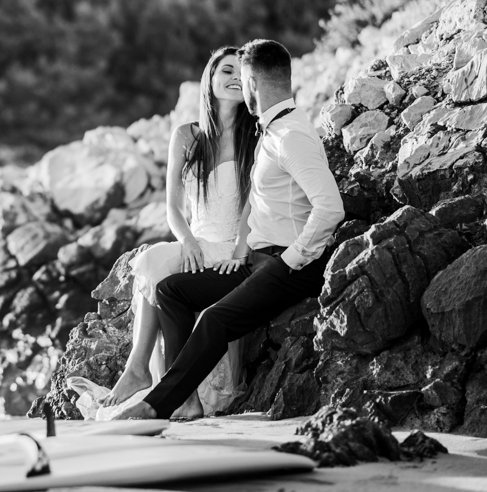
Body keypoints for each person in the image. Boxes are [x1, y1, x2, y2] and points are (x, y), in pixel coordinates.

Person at [110, 38, 344, 421]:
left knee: (215, 319)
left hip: (285, 265)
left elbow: (331, 207)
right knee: (171, 290)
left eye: (241, 75)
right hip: (257, 258)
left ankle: (157, 406)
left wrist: (290, 260)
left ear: (252, 83)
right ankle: (178, 394)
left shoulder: (289, 136)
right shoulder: (273, 131)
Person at [100, 46, 257, 418]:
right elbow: (172, 206)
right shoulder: (187, 136)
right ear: (210, 78)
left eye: (241, 72)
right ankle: (138, 370)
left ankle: (170, 385)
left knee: (164, 276)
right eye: (226, 70)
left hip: (233, 247)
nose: (234, 77)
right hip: (196, 242)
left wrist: (240, 248)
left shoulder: (256, 136)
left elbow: (254, 205)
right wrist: (186, 240)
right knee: (153, 259)